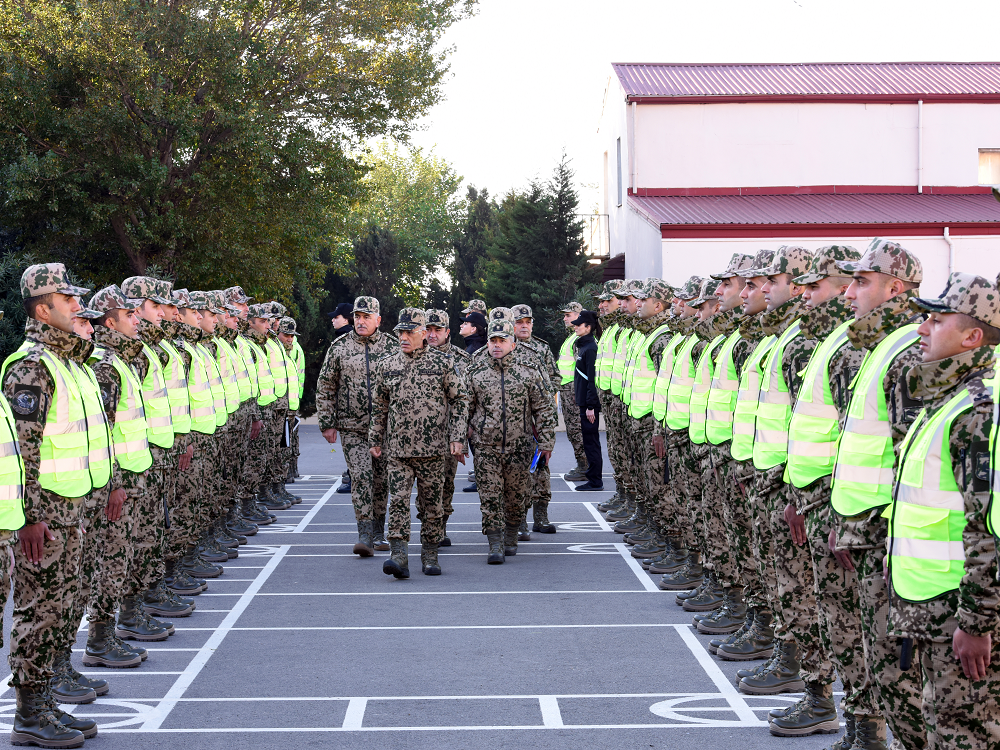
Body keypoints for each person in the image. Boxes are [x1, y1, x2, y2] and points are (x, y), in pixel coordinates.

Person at [886, 272, 1000, 750]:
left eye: (936, 320)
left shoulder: (979, 411)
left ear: (972, 337)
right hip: (930, 607)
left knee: (963, 737)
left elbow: (989, 528)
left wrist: (976, 622)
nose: (921, 330)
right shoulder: (950, 400)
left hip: (957, 612)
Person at [829, 239, 927, 750]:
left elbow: (915, 464)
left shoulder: (908, 353)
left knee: (902, 678)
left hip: (890, 539)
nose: (849, 293)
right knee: (876, 660)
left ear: (896, 288)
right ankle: (867, 734)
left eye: (860, 282)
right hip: (865, 529)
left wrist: (893, 539)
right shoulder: (881, 347)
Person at [2, 263, 103, 747]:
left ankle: (45, 700)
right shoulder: (30, 367)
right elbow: (26, 449)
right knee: (38, 608)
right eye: (68, 301)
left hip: (73, 506)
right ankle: (28, 711)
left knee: (62, 606)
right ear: (43, 309)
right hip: (47, 514)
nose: (78, 306)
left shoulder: (68, 361)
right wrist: (33, 517)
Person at [369, 308, 468, 578]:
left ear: (423, 334)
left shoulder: (443, 363)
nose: (403, 337)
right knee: (398, 501)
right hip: (397, 451)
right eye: (400, 332)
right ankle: (398, 554)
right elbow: (379, 406)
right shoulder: (387, 364)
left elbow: (460, 400)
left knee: (431, 505)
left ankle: (430, 553)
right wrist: (375, 438)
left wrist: (457, 437)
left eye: (409, 332)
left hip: (433, 450)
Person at [465, 319, 556, 563]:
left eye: (502, 341)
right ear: (487, 343)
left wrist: (546, 442)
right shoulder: (476, 370)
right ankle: (495, 543)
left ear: (512, 344)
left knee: (517, 497)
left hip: (520, 446)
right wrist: (462, 436)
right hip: (486, 447)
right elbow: (463, 408)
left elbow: (544, 408)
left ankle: (511, 534)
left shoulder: (528, 370)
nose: (496, 345)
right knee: (490, 497)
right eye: (492, 341)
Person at [316, 296, 398, 556]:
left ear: (378, 320)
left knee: (381, 480)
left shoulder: (393, 347)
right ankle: (364, 534)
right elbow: (326, 386)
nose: (361, 321)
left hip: (385, 429)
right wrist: (327, 423)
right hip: (353, 427)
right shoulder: (339, 347)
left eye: (366, 317)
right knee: (362, 478)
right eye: (357, 317)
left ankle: (377, 531)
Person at [511, 304, 560, 535]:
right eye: (519, 322)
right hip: (514, 423)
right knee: (517, 474)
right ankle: (519, 521)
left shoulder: (542, 348)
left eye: (527, 322)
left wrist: (545, 396)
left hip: (538, 420)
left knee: (541, 471)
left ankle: (541, 517)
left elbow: (555, 377)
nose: (523, 326)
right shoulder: (502, 347)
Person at [425, 309, 472, 546]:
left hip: (450, 434)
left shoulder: (462, 360)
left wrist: (462, 437)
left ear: (447, 332)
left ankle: (440, 527)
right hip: (420, 436)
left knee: (446, 482)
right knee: (425, 487)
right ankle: (429, 529)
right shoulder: (411, 355)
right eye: (429, 330)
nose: (432, 335)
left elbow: (469, 401)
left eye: (437, 330)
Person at [570, 309, 603, 490]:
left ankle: (595, 480)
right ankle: (593, 477)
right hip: (584, 402)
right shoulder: (584, 346)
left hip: (589, 405)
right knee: (588, 441)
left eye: (578, 325)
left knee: (591, 442)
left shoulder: (591, 348)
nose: (575, 327)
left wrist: (591, 405)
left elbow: (592, 378)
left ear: (588, 327)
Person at [558, 302, 589, 481]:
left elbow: (582, 366)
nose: (565, 318)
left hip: (573, 389)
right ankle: (581, 464)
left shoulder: (579, 338)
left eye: (568, 315)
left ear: (578, 314)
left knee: (577, 429)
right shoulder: (572, 337)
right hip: (567, 388)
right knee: (572, 429)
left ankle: (584, 466)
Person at [458, 309, 487, 492]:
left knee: (477, 445)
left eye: (465, 323)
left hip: (476, 410)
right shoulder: (472, 347)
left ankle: (482, 479)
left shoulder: (475, 351)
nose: (461, 325)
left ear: (475, 328)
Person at [328, 303, 354, 493]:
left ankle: (354, 477)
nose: (332, 320)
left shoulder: (344, 340)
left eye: (336, 317)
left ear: (346, 319)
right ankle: (353, 475)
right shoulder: (342, 339)